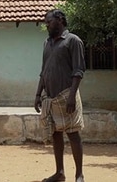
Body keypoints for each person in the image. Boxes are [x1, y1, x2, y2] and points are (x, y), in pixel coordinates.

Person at [34, 9, 86, 182]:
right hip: (50, 97)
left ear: (60, 20)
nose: (46, 24)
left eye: (49, 21)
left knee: (73, 133)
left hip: (67, 96)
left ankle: (79, 174)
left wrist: (71, 96)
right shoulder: (47, 43)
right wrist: (37, 94)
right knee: (56, 134)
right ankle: (60, 172)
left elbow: (78, 71)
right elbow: (44, 71)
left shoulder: (73, 41)